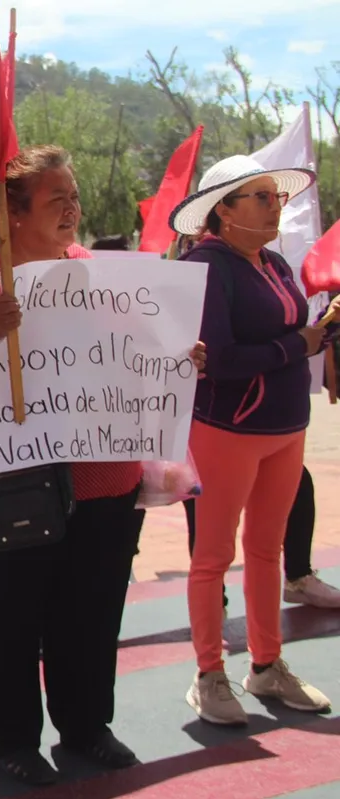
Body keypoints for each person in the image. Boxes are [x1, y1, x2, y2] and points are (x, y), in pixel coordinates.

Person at [0, 145, 205, 786]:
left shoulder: (98, 271)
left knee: (93, 614)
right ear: (12, 215)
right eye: (57, 200)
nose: (72, 210)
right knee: (12, 622)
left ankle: (86, 728)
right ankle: (12, 743)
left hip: (107, 483)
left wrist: (182, 361)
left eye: (73, 198)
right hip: (18, 487)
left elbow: (142, 351)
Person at [170, 154, 333, 726]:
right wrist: (301, 344)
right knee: (213, 557)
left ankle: (267, 665)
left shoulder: (275, 263)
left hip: (286, 430)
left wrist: (320, 331)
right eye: (260, 196)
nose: (274, 205)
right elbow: (222, 361)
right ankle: (209, 674)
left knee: (267, 551)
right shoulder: (207, 267)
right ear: (223, 212)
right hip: (227, 431)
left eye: (275, 196)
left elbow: (293, 334)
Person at [184, 467, 340, 609]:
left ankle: (298, 579)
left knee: (295, 479)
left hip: (240, 440)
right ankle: (211, 601)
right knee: (204, 511)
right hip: (197, 449)